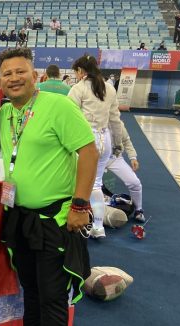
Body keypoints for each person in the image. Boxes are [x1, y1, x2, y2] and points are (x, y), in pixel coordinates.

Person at [0, 47, 98, 326]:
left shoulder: (58, 106)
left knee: (52, 299)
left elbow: (89, 152)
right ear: (0, 80)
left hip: (55, 219)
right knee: (30, 292)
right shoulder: (4, 113)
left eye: (20, 71)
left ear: (35, 75)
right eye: (7, 73)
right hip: (20, 218)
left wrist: (80, 205)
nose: (14, 78)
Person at [68, 55, 124, 239]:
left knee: (78, 183)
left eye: (76, 71)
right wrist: (118, 143)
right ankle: (98, 227)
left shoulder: (79, 88)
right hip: (104, 139)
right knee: (96, 184)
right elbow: (116, 120)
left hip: (85, 141)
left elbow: (67, 118)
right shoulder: (109, 88)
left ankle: (77, 220)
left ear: (81, 71)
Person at [105, 125, 145, 222]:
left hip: (114, 158)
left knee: (134, 183)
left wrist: (133, 157)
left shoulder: (117, 124)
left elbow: (126, 141)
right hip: (93, 159)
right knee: (93, 187)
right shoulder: (89, 121)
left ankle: (138, 210)